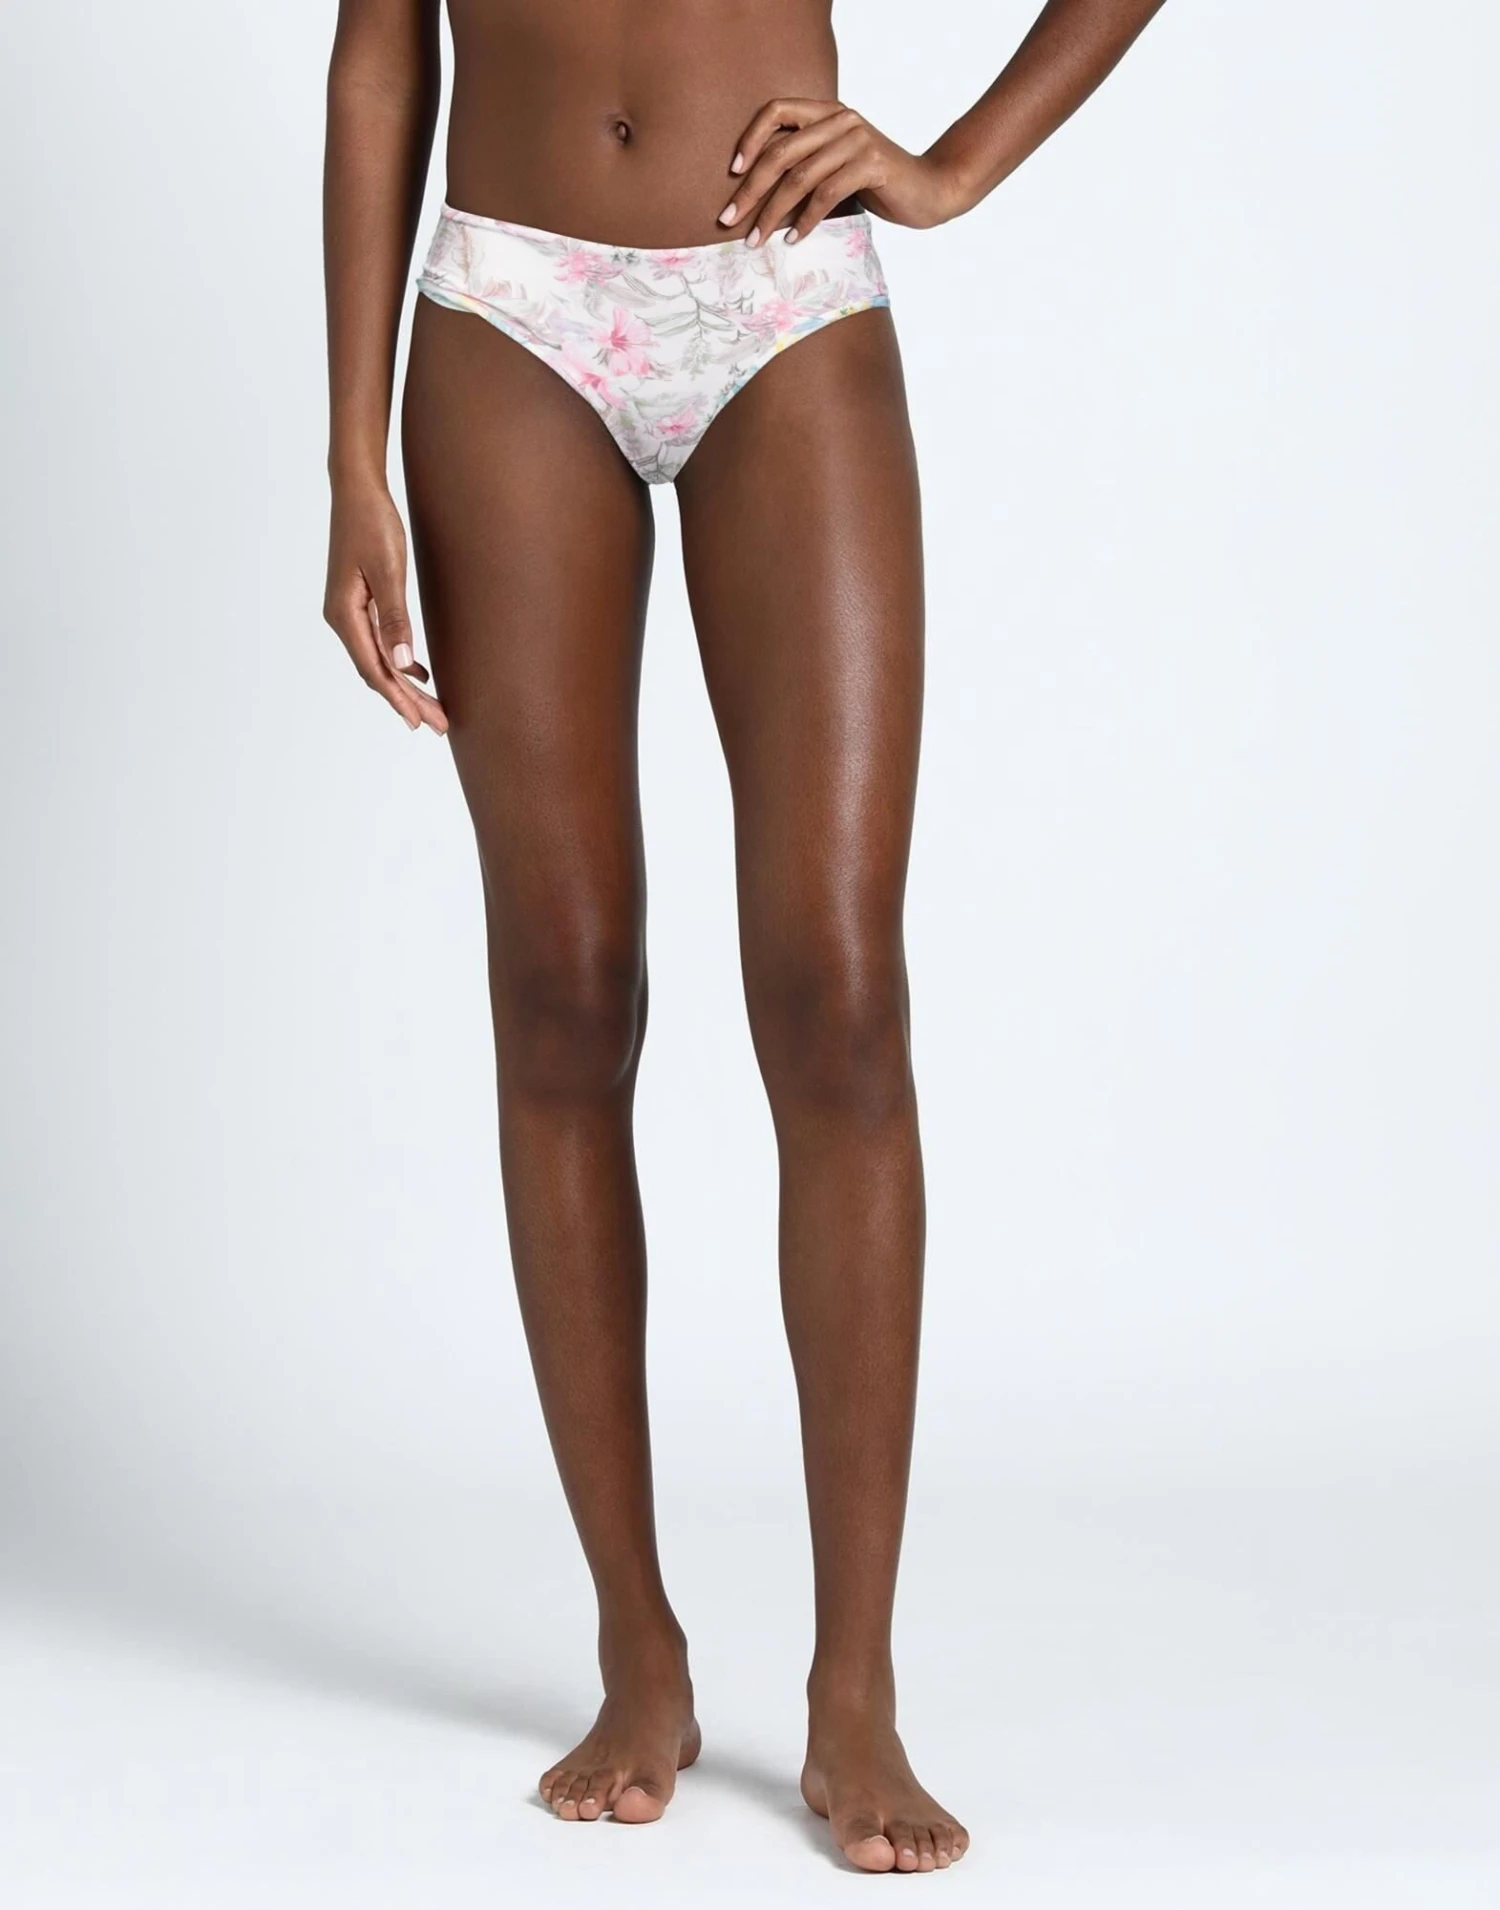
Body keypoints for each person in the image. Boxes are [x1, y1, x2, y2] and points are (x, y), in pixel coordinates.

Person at [323, 0, 1165, 1874]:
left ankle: (855, 1686)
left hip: (783, 303)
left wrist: (954, 165)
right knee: (562, 995)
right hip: (505, 310)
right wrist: (350, 454)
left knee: (839, 997)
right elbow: (382, 46)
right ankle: (638, 1645)